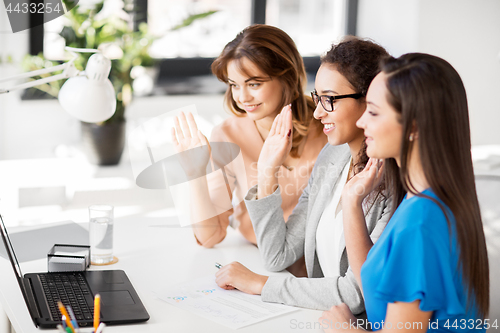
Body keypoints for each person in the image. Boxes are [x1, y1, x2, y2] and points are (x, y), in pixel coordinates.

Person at [214, 37, 392, 315]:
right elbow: (277, 256)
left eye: (329, 99)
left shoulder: (393, 182)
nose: (318, 112)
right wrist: (267, 172)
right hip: (323, 317)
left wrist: (261, 285)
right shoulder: (332, 159)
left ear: (371, 100)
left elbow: (357, 293)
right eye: (317, 97)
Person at [320, 53, 490, 331]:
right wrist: (352, 202)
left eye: (373, 112)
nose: (362, 122)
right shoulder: (422, 199)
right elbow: (377, 285)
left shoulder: (421, 221)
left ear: (413, 127)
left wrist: (345, 328)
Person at [171, 24, 327, 258]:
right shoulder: (228, 135)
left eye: (254, 84)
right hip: (260, 255)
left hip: (320, 257)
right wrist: (196, 173)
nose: (243, 97)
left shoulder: (326, 122)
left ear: (288, 76)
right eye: (234, 85)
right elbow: (210, 237)